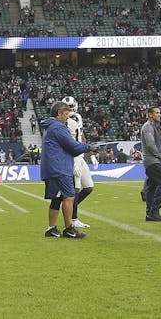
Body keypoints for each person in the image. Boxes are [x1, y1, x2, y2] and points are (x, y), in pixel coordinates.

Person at [40, 99, 91, 238]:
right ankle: (69, 228)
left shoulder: (50, 127)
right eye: (66, 114)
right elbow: (73, 146)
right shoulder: (59, 127)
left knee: (56, 199)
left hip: (51, 167)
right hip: (59, 167)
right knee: (69, 196)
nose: (67, 117)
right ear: (59, 113)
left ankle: (51, 228)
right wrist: (89, 147)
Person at [59, 96, 95, 229]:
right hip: (73, 156)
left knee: (88, 187)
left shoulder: (77, 118)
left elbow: (81, 136)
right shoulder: (64, 122)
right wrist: (73, 159)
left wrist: (90, 154)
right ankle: (73, 218)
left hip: (80, 155)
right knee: (76, 188)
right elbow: (67, 141)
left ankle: (70, 209)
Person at [140, 105, 161, 222]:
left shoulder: (152, 127)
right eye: (156, 113)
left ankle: (150, 213)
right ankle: (154, 211)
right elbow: (150, 145)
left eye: (159, 112)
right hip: (153, 161)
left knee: (152, 187)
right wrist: (160, 157)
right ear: (150, 115)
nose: (159, 115)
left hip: (151, 160)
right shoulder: (148, 127)